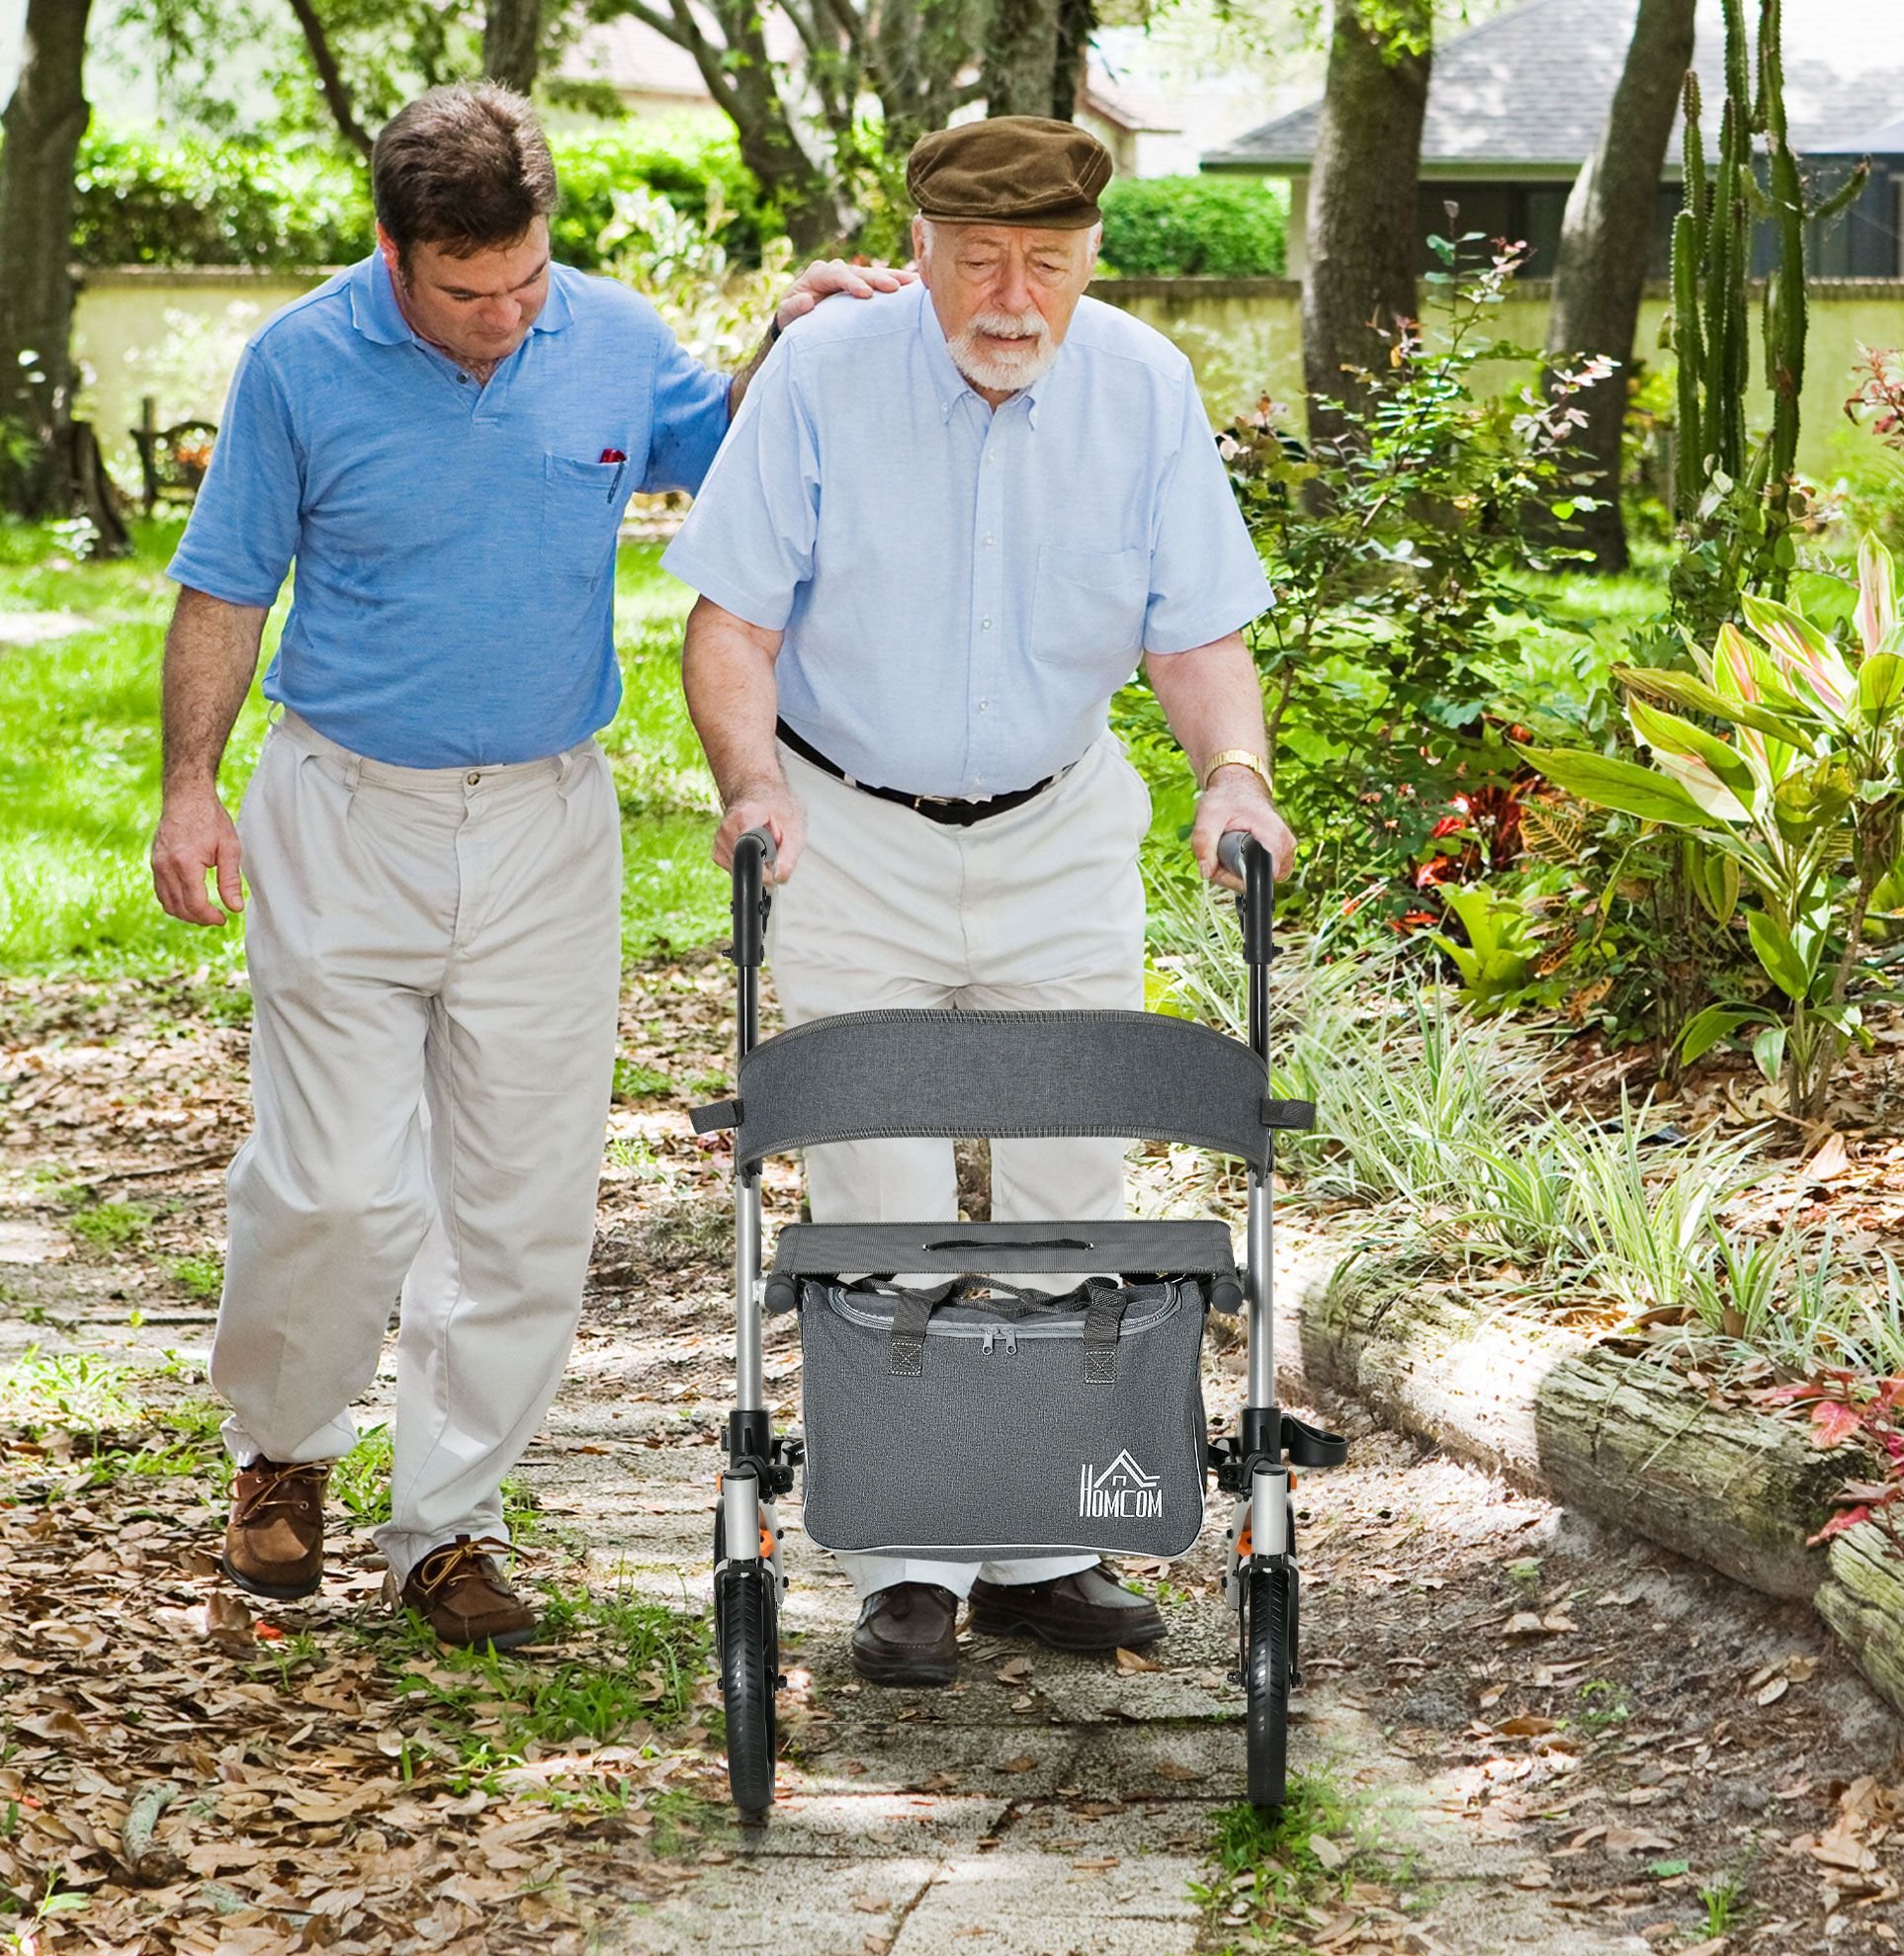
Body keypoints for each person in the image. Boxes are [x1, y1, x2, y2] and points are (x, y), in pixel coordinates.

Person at [149, 80, 908, 1651]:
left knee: (522, 1203)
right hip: (345, 810)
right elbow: (226, 587)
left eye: (524, 282)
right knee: (337, 1187)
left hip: (549, 822)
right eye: (464, 291)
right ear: (392, 251)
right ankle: (280, 1450)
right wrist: (190, 788)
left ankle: (449, 1523)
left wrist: (792, 335)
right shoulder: (300, 359)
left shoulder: (608, 334)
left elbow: (721, 445)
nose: (502, 317)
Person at [663, 115, 1296, 1687]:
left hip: (1057, 827)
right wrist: (751, 784)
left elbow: (1194, 633)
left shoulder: (1143, 385)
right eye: (983, 261)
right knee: (876, 1195)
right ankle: (907, 1558)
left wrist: (1233, 774)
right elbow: (731, 625)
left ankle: (1041, 1542)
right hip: (848, 827)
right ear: (923, 252)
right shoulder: (822, 377)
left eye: (1050, 265)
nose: (1015, 300)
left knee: (1067, 1187)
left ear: (1092, 260)